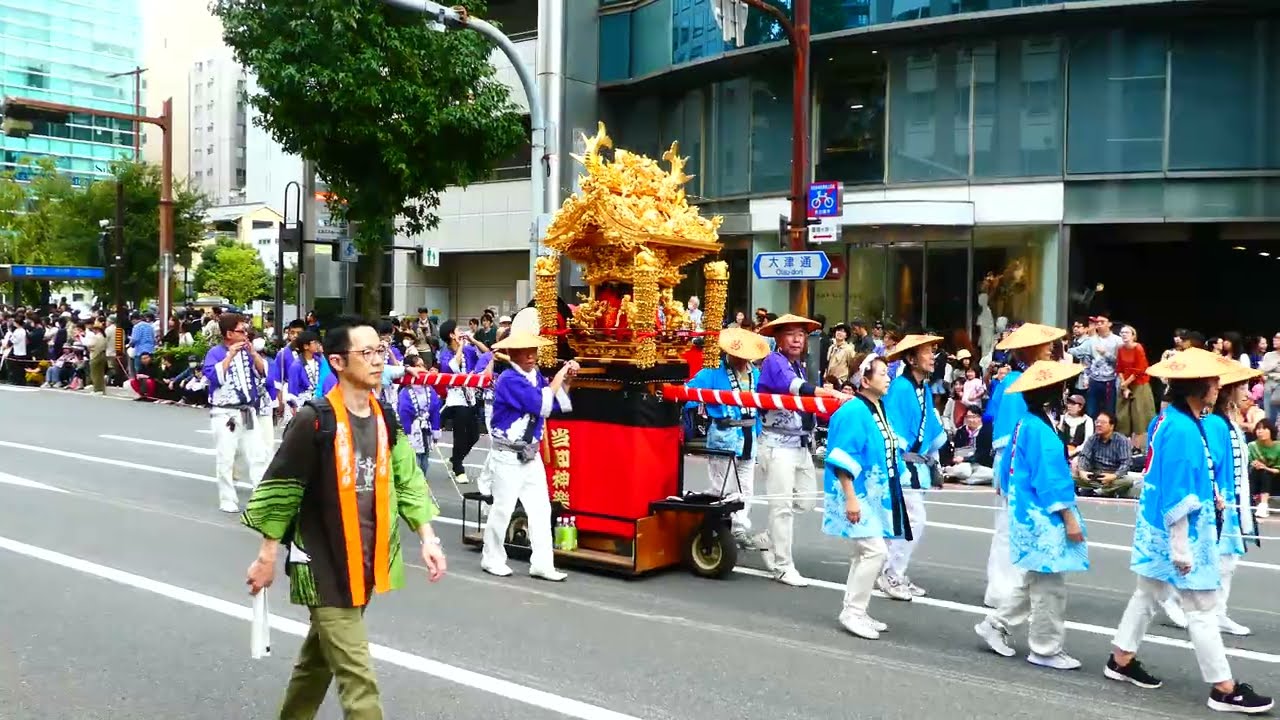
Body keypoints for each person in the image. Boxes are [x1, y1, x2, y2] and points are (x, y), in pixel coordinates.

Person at [242, 317, 446, 720]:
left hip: (366, 562)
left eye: (380, 351)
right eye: (366, 353)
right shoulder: (314, 419)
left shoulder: (385, 417)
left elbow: (408, 480)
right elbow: (282, 490)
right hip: (321, 564)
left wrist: (428, 537)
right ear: (336, 361)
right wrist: (266, 556)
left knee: (317, 664)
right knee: (358, 678)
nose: (376, 360)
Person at [1105, 347, 1272, 714]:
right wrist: (1181, 546)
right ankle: (1223, 687)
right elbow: (1180, 491)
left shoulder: (1179, 420)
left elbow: (1186, 475)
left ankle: (1120, 657)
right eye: (1213, 380)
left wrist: (1212, 493)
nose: (1218, 385)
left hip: (1157, 523)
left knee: (1148, 592)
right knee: (1201, 606)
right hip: (1180, 529)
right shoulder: (1183, 427)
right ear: (1199, 386)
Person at [974, 360, 1089, 670]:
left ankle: (996, 623)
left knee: (1036, 579)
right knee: (1050, 585)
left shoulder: (1028, 423)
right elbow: (1050, 478)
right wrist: (1069, 517)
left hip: (1028, 511)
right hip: (1043, 515)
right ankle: (1045, 647)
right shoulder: (1039, 428)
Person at [754, 313, 848, 587]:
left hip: (801, 444)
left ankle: (769, 538)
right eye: (791, 334)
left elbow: (807, 398)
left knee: (806, 501)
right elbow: (794, 388)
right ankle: (783, 565)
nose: (797, 339)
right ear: (779, 339)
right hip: (777, 444)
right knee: (781, 507)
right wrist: (829, 393)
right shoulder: (774, 361)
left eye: (801, 334)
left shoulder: (800, 365)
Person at [823, 352, 909, 640]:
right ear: (865, 378)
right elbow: (842, 457)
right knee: (875, 551)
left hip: (868, 495)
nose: (888, 378)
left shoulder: (875, 407)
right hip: (854, 494)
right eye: (882, 373)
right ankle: (853, 613)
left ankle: (856, 609)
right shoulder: (853, 411)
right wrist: (850, 498)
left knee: (864, 553)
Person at [480, 329, 579, 581]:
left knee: (541, 510)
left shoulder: (534, 377)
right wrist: (559, 377)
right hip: (507, 455)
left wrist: (567, 381)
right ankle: (491, 557)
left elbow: (557, 405)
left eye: (533, 351)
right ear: (512, 353)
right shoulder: (509, 379)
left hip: (530, 455)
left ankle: (543, 563)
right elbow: (541, 405)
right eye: (525, 351)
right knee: (503, 509)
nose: (530, 356)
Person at [983, 322, 1066, 609]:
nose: (1050, 350)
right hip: (1014, 464)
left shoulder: (1032, 380)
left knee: (1021, 528)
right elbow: (1007, 432)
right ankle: (1001, 589)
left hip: (1025, 463)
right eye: (1045, 346)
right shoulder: (1014, 381)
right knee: (1008, 528)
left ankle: (1014, 587)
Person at [685, 327, 769, 547]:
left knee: (745, 488)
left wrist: (759, 430)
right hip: (724, 434)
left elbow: (762, 404)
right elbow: (688, 394)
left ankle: (739, 530)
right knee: (722, 487)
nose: (741, 360)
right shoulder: (712, 372)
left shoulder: (756, 374)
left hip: (749, 435)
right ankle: (720, 530)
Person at [1196, 355, 1260, 637]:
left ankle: (1216, 611)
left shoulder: (1227, 421)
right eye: (1243, 386)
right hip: (1221, 502)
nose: (1247, 391)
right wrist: (1219, 497)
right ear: (1230, 389)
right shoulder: (1215, 424)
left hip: (1232, 502)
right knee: (1219, 561)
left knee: (1227, 561)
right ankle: (1204, 610)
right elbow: (1213, 464)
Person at [879, 333, 945, 600]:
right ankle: (891, 575)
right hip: (903, 465)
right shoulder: (900, 388)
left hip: (917, 465)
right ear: (911, 358)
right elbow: (894, 430)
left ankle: (892, 572)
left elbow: (931, 428)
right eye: (927, 352)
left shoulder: (924, 389)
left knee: (906, 522)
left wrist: (935, 458)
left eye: (933, 351)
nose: (933, 357)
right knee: (912, 522)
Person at [202, 313, 273, 513]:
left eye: (246, 331)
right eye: (242, 331)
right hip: (225, 413)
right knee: (226, 457)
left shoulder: (247, 351)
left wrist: (253, 354)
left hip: (248, 410)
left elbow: (263, 372)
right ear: (229, 333)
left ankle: (262, 496)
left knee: (258, 454)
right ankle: (227, 498)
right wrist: (229, 355)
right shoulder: (215, 352)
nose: (245, 335)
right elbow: (214, 377)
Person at [397, 354, 443, 479]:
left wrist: (435, 429)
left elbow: (435, 411)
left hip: (425, 428)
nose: (422, 368)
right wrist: (407, 432)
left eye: (423, 365)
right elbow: (404, 412)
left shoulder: (429, 389)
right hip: (412, 429)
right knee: (414, 457)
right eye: (418, 366)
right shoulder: (405, 392)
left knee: (425, 457)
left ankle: (423, 478)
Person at [1072, 411, 1135, 498]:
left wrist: (1113, 476)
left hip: (1113, 478)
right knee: (1069, 477)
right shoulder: (1092, 439)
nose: (1098, 424)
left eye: (1103, 422)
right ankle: (1099, 491)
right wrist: (1082, 472)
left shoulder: (1122, 440)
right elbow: (1084, 457)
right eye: (1097, 422)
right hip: (1094, 476)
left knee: (1128, 480)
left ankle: (1098, 492)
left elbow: (1126, 464)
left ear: (1112, 426)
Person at [1247, 419, 1279, 518]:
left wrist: (1266, 467)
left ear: (1271, 431)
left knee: (1266, 472)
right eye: (1258, 429)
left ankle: (1263, 505)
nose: (1260, 431)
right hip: (1257, 477)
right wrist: (1254, 464)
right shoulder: (1252, 446)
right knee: (1259, 471)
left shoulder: (1278, 447)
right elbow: (1249, 463)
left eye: (1264, 428)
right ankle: (1253, 503)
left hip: (1276, 479)